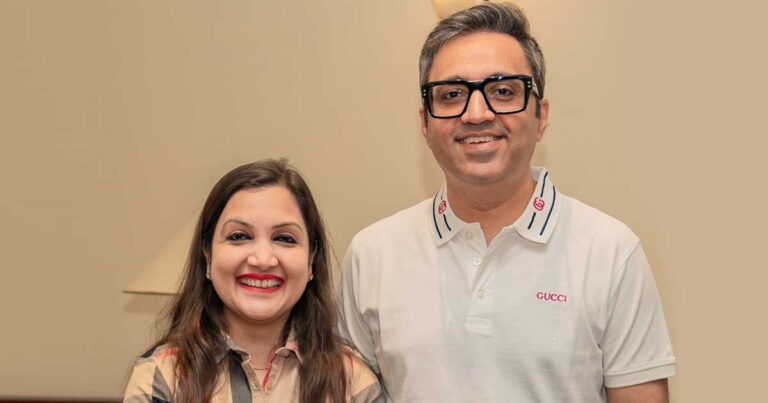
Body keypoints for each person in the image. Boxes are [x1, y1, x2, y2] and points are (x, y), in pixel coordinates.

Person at [337, 3, 675, 402]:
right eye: (452, 95)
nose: (477, 113)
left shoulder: (611, 253)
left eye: (503, 91)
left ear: (540, 117)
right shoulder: (372, 256)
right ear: (425, 122)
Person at [124, 159, 382, 403]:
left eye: (285, 238)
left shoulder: (352, 381)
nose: (262, 259)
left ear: (311, 260)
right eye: (239, 236)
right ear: (207, 255)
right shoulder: (163, 376)